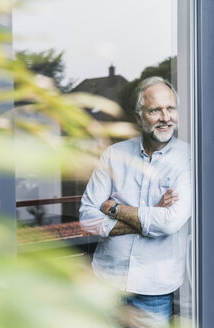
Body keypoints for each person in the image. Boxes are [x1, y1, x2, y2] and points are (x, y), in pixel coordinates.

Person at [79, 76, 191, 328]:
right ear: (139, 118)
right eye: (155, 110)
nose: (165, 117)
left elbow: (169, 223)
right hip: (105, 283)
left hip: (154, 292)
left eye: (170, 108)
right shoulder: (114, 155)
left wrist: (113, 208)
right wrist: (149, 216)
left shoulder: (190, 158)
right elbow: (87, 219)